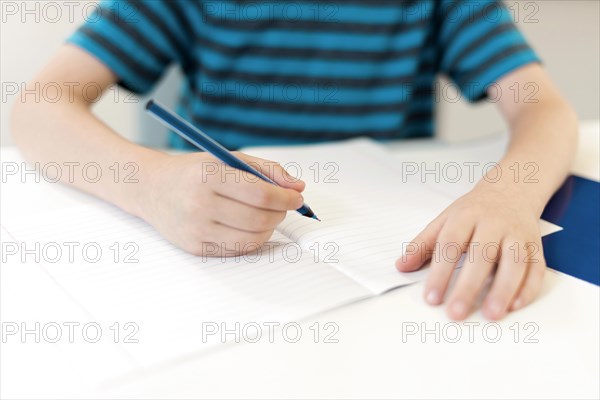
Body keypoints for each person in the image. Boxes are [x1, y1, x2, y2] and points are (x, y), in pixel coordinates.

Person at [11, 0, 578, 321]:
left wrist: (509, 194)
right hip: (207, 279)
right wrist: (149, 183)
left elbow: (545, 110)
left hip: (382, 301)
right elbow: (37, 107)